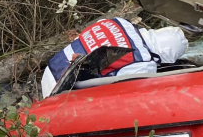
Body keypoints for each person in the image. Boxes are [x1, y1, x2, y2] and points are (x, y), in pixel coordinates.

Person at [40, 17, 187, 97]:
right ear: (168, 56)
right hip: (60, 91)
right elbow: (130, 98)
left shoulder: (118, 22)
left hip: (53, 67)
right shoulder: (142, 64)